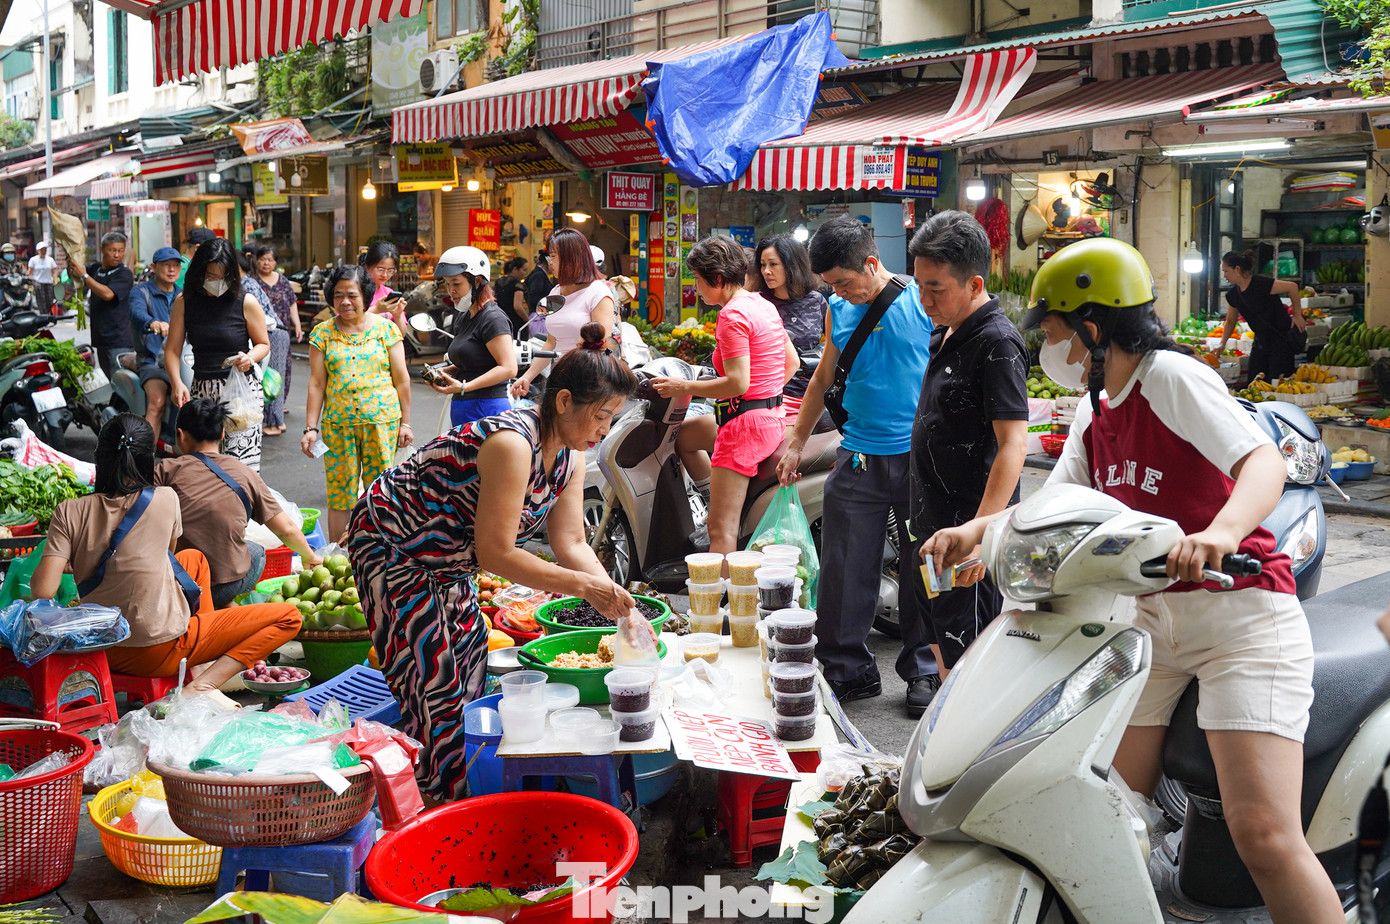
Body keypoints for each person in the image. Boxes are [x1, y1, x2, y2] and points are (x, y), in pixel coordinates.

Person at [922, 237, 1342, 924]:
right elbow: (1055, 506)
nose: (1049, 344)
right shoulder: (1098, 407)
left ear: (1093, 325)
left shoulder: (1170, 378)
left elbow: (1263, 462)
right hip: (1146, 625)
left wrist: (1221, 533)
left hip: (1240, 618)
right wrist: (982, 530)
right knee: (1104, 808)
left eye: (1055, 328)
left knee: (1264, 836)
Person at [348, 322, 638, 802]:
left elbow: (570, 542)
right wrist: (586, 590)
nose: (605, 429)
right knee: (434, 675)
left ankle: (462, 783)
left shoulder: (571, 456)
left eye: (613, 418)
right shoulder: (512, 443)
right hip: (393, 544)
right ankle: (434, 802)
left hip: (449, 558)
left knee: (471, 655)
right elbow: (498, 554)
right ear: (563, 401)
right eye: (602, 416)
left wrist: (616, 600)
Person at [775, 215, 937, 713]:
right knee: (844, 569)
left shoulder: (921, 301)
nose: (840, 294)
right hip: (859, 455)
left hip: (917, 458)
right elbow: (825, 375)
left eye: (845, 283)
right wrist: (796, 440)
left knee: (921, 570)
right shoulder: (836, 309)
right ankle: (848, 670)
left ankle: (925, 670)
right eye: (831, 287)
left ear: (872, 263)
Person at [31, 414, 301, 696]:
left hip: (102, 648)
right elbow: (164, 555)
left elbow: (43, 590)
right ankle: (203, 684)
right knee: (289, 616)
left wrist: (73, 559)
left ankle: (199, 660)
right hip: (159, 651)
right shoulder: (165, 498)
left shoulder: (69, 510)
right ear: (149, 460)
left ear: (101, 457)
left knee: (194, 559)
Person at [907, 211, 1029, 692]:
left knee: (973, 663)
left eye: (936, 289)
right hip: (935, 528)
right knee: (944, 643)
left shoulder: (997, 343)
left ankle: (968, 759)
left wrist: (980, 535)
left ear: (975, 283)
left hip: (969, 536)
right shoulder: (948, 331)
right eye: (919, 285)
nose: (924, 300)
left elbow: (1013, 446)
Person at [652, 236, 797, 559]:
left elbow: (736, 383)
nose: (697, 289)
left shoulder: (731, 316)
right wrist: (763, 395)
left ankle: (724, 606)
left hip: (743, 428)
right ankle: (714, 493)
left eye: (698, 281)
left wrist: (683, 387)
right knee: (685, 437)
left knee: (721, 531)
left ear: (717, 279)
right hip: (771, 418)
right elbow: (792, 363)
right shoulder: (762, 304)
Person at [157, 398, 321, 608]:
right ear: (223, 434)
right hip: (224, 586)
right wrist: (309, 556)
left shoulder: (164, 470)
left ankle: (208, 606)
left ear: (180, 435)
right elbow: (286, 530)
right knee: (256, 552)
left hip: (178, 584)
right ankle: (222, 605)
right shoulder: (245, 474)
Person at [302, 264, 413, 544]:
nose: (345, 302)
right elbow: (317, 384)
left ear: (365, 295)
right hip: (338, 426)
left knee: (383, 490)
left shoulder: (386, 330)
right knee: (340, 495)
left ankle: (384, 551)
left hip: (382, 423)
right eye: (338, 295)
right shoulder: (322, 334)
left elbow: (402, 380)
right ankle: (340, 557)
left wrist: (406, 423)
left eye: (351, 294)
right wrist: (310, 428)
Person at [165, 237, 271, 471]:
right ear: (200, 272)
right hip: (202, 392)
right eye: (211, 276)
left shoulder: (246, 301)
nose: (218, 282)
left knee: (240, 468)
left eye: (224, 277)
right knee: (205, 469)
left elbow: (263, 343)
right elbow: (172, 350)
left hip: (241, 393)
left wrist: (250, 357)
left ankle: (244, 509)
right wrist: (176, 383)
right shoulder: (185, 302)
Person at [509, 230, 615, 398]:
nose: (550, 262)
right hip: (557, 380)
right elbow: (551, 342)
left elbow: (601, 345)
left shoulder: (598, 293)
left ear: (572, 258)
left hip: (587, 383)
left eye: (554, 256)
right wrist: (527, 377)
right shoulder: (556, 291)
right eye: (549, 256)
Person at [427, 246, 518, 429]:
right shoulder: (464, 315)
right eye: (447, 284)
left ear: (477, 281)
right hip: (463, 407)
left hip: (487, 409)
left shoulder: (493, 318)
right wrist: (451, 371)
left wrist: (464, 387)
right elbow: (477, 361)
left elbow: (509, 368)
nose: (451, 290)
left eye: (456, 283)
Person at [754, 234, 827, 422]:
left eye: (773, 264)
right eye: (763, 265)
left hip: (812, 396)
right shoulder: (757, 302)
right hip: (771, 397)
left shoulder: (816, 301)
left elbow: (835, 344)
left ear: (792, 265)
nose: (766, 271)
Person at [1216, 251, 1307, 381]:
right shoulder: (1233, 295)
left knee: (1278, 382)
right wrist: (1222, 343)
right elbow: (1231, 321)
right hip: (1260, 342)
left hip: (1281, 341)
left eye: (1226, 271)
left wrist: (1297, 315)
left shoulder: (1262, 284)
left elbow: (1292, 287)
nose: (1224, 276)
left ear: (1237, 269)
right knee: (1255, 381)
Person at [128, 247, 183, 435]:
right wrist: (152, 323)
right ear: (153, 267)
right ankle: (146, 457)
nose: (171, 270)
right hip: (152, 362)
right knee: (156, 404)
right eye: (166, 265)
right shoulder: (141, 292)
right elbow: (137, 313)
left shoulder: (183, 295)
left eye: (176, 265)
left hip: (181, 361)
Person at [249, 246, 300, 436]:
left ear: (275, 262)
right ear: (256, 260)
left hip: (280, 331)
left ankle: (276, 419)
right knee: (265, 374)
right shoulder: (254, 282)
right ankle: (270, 417)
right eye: (263, 259)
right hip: (260, 333)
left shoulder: (283, 281)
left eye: (270, 260)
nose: (266, 263)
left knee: (279, 373)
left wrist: (298, 325)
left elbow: (292, 303)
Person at [70, 231, 135, 378]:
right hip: (101, 340)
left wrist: (84, 276)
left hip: (119, 341)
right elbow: (74, 273)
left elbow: (108, 294)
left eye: (121, 251)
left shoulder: (124, 274)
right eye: (112, 250)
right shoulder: (96, 269)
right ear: (102, 249)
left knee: (120, 382)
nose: (117, 255)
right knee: (109, 380)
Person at [362, 241, 408, 335]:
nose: (385, 275)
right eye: (380, 269)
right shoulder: (355, 292)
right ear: (367, 265)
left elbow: (401, 334)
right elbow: (347, 321)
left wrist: (397, 315)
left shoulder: (388, 292)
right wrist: (377, 309)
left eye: (390, 270)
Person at [494, 256, 529, 336]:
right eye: (524, 270)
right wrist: (528, 320)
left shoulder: (498, 282)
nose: (524, 273)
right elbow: (517, 307)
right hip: (516, 323)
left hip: (501, 322)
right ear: (515, 269)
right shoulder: (517, 284)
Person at [523, 246, 553, 315]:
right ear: (548, 262)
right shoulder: (538, 275)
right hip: (538, 315)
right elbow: (534, 298)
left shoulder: (540, 274)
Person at [27, 240, 56, 314]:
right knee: (41, 300)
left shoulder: (50, 260)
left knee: (49, 300)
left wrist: (55, 281)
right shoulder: (33, 260)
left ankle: (47, 313)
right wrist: (29, 282)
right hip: (38, 282)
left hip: (48, 282)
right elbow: (30, 272)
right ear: (38, 251)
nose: (43, 251)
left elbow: (53, 272)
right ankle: (43, 314)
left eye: (45, 249)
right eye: (41, 249)